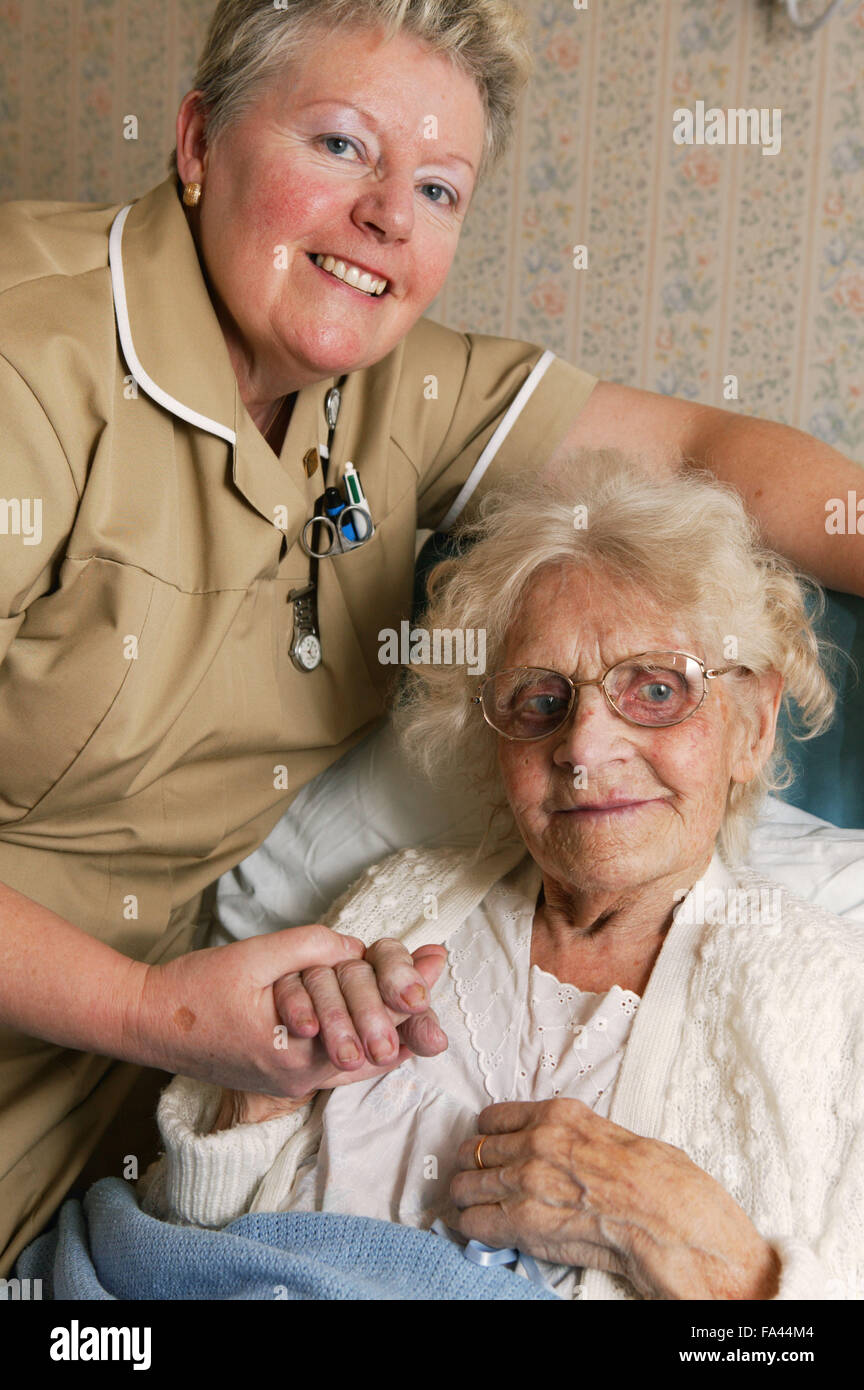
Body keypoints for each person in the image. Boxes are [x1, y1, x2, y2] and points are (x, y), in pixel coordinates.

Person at [0, 0, 862, 1276]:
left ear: (752, 721)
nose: (390, 215)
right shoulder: (28, 357)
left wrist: (737, 1282)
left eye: (441, 185)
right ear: (194, 141)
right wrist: (161, 1016)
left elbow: (698, 452)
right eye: (340, 145)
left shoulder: (396, 391)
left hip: (80, 1118)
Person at [132, 454, 863, 1302]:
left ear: (754, 723)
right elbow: (175, 1240)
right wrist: (251, 1104)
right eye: (541, 700)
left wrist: (702, 1253)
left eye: (657, 688)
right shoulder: (398, 901)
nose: (585, 748)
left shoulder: (831, 999)